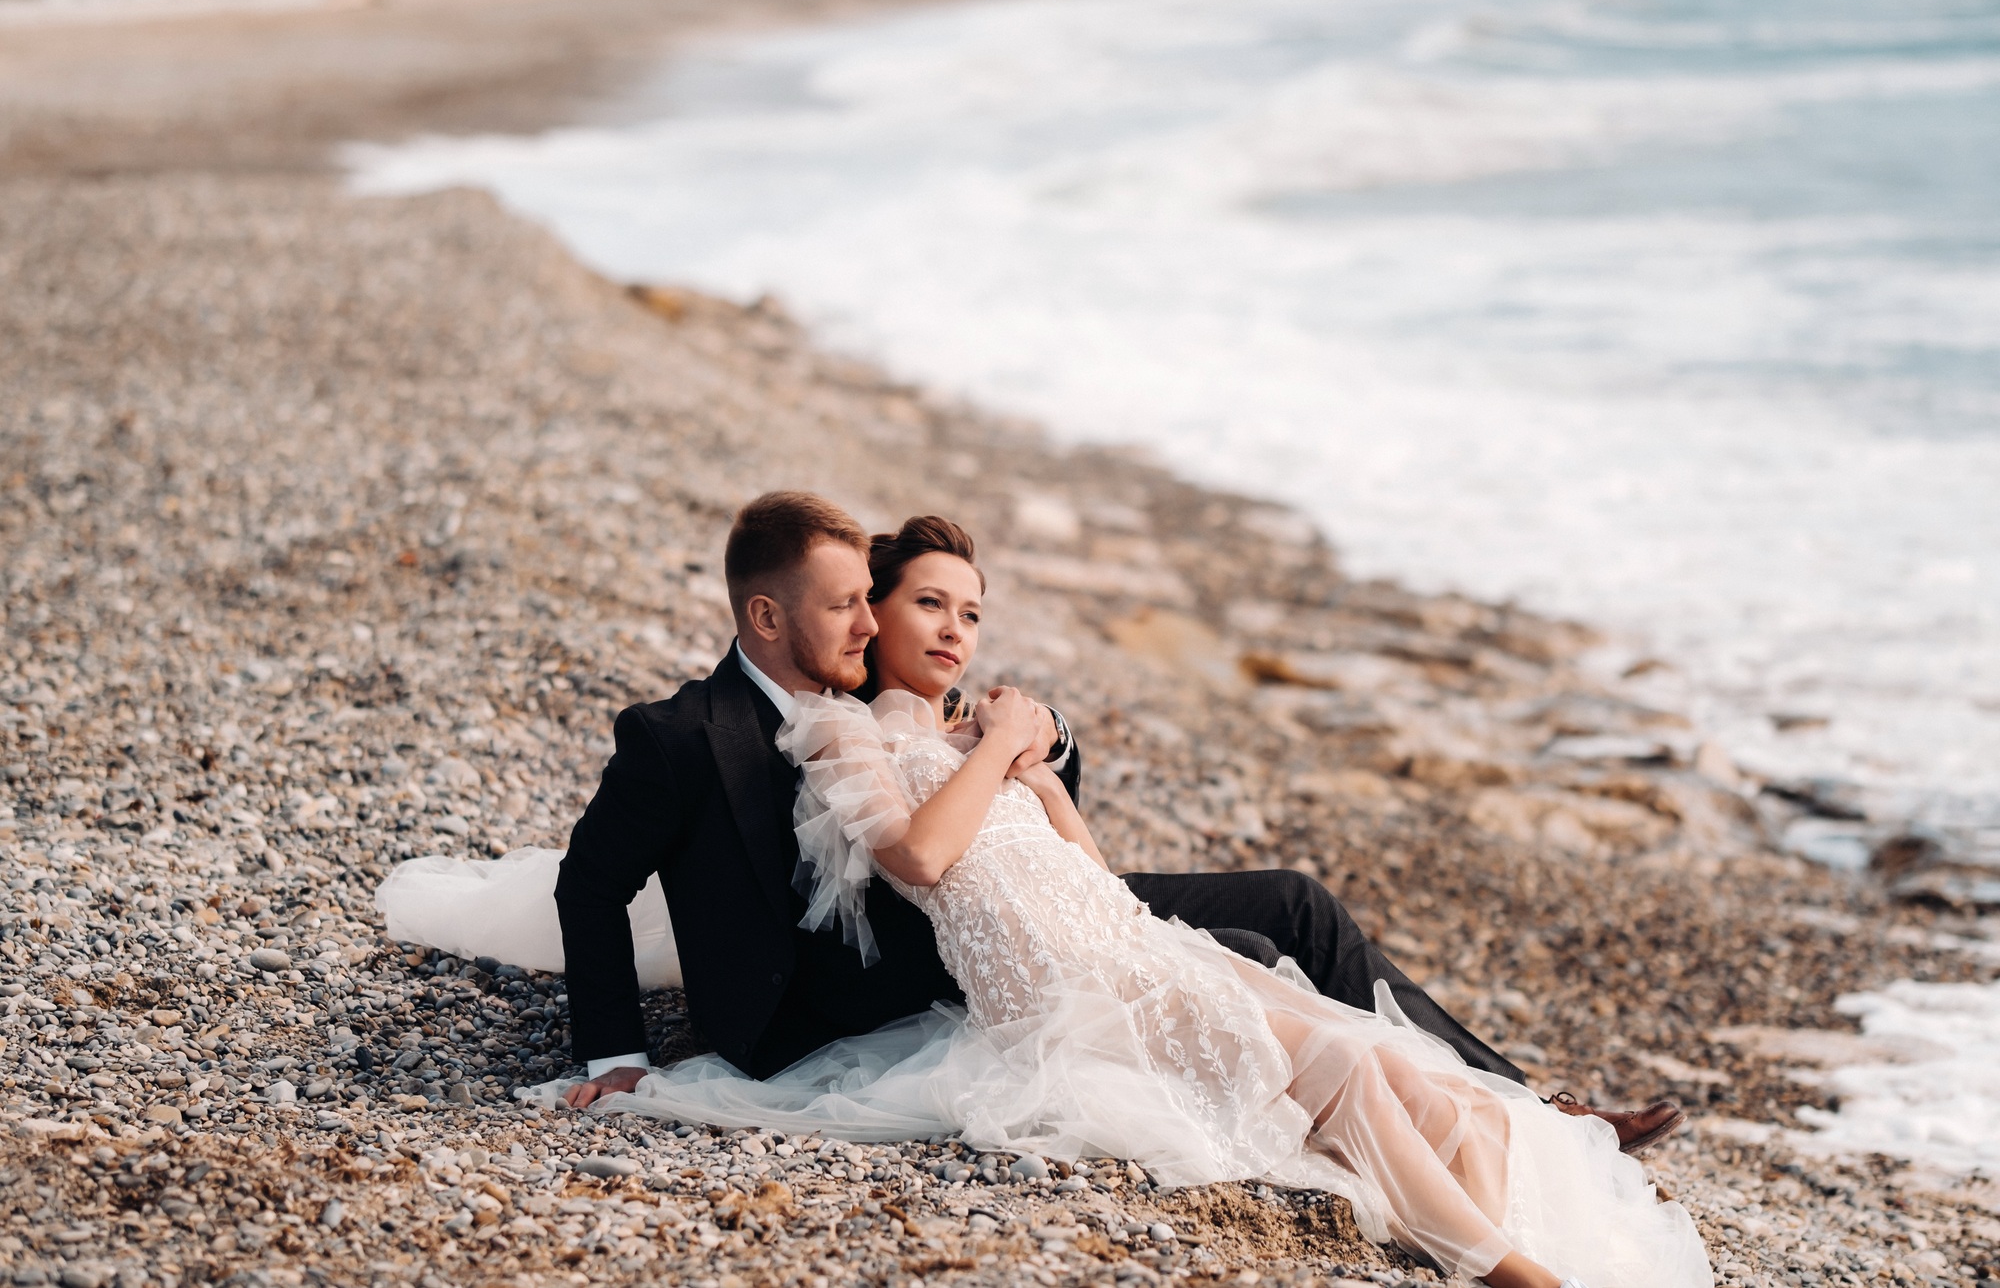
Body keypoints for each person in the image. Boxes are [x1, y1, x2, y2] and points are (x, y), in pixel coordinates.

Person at [516, 513, 1709, 1288]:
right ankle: (1463, 1194)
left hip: (1029, 899)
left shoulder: (901, 679)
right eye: (859, 609)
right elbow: (592, 882)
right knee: (1242, 956)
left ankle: (1511, 1096)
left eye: (901, 608)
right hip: (910, 965)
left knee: (1291, 908)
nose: (881, 623)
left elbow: (1019, 769)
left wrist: (1026, 739)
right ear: (772, 618)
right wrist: (611, 1048)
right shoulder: (688, 734)